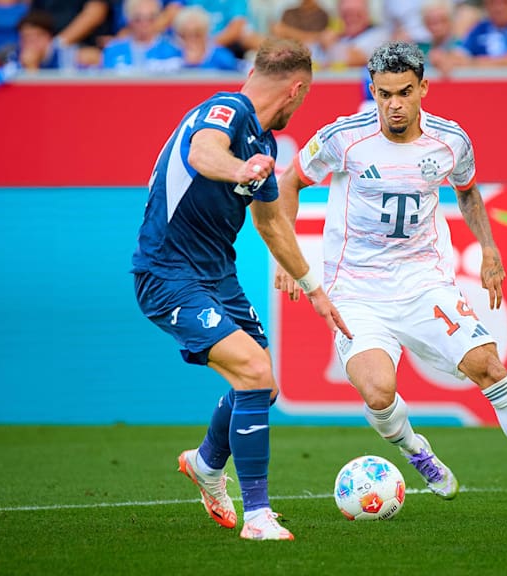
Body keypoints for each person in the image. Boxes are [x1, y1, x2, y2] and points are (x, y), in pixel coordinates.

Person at [276, 41, 507, 522]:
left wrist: (488, 247)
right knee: (378, 392)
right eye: (383, 94)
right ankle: (415, 448)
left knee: (489, 366)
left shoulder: (450, 141)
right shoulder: (343, 137)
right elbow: (289, 184)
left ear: (423, 87)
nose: (393, 105)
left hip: (425, 283)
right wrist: (288, 256)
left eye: (403, 92)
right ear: (373, 92)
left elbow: (467, 193)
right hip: (357, 292)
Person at [130, 38, 350, 541]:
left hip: (216, 275)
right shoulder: (225, 110)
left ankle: (207, 464)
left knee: (263, 386)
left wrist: (314, 289)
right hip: (168, 272)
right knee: (252, 372)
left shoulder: (265, 144)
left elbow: (271, 225)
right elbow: (203, 151)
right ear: (296, 90)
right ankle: (258, 516)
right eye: (305, 98)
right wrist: (239, 169)